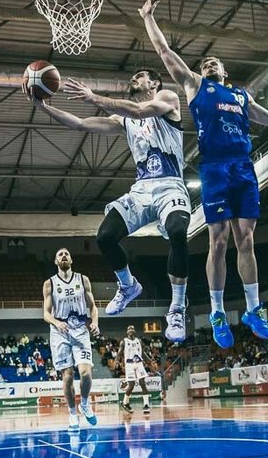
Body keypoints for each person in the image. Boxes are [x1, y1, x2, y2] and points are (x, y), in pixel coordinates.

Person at [139, 0, 268, 348]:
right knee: (219, 239)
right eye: (205, 62)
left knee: (246, 239)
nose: (209, 63)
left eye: (215, 62)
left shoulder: (240, 96)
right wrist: (149, 18)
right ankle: (218, 311)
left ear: (224, 72)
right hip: (214, 170)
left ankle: (255, 309)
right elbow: (165, 53)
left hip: (243, 169)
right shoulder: (195, 86)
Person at [28, 70, 190, 343]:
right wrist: (44, 107)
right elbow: (79, 124)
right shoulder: (125, 119)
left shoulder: (167, 98)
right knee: (104, 236)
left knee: (177, 232)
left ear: (155, 83)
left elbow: (141, 110)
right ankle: (128, 285)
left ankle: (176, 308)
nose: (134, 79)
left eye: (140, 76)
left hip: (170, 184)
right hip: (141, 189)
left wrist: (93, 96)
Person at [43, 248, 100, 431]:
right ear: (55, 261)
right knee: (67, 376)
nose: (64, 256)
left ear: (72, 259)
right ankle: (72, 413)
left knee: (86, 373)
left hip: (80, 330)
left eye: (67, 253)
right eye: (60, 254)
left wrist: (95, 322)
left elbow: (93, 307)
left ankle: (84, 403)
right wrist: (56, 322)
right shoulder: (49, 283)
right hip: (60, 332)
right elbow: (45, 313)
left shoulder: (82, 280)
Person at [119, 324, 151, 414]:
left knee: (142, 383)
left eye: (132, 328)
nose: (131, 330)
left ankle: (146, 405)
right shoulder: (124, 341)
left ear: (134, 331)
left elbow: (143, 353)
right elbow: (119, 353)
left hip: (139, 363)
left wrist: (149, 360)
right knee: (131, 385)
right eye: (129, 329)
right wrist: (117, 361)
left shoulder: (139, 341)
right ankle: (125, 402)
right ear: (127, 332)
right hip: (129, 364)